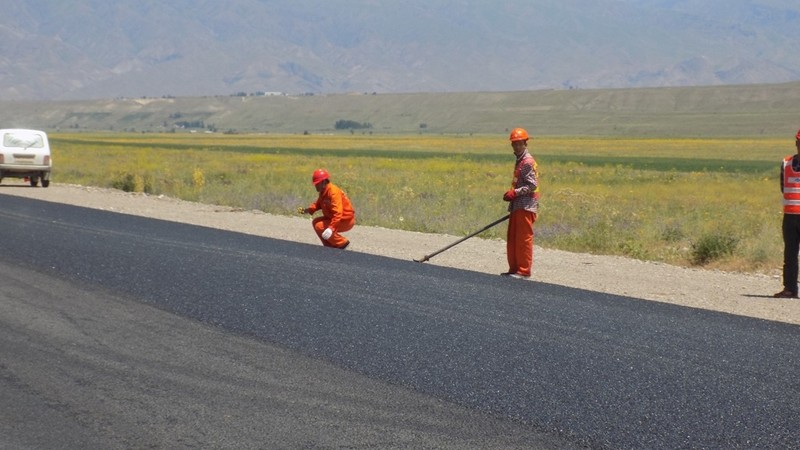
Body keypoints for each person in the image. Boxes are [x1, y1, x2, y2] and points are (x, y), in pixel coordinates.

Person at [501, 127, 540, 279]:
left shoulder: (527, 162)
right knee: (513, 238)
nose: (517, 146)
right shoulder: (520, 160)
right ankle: (514, 269)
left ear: (525, 143)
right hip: (518, 205)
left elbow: (532, 185)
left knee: (523, 239)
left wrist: (515, 193)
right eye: (514, 144)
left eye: (520, 143)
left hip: (526, 205)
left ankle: (523, 271)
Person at [299, 169, 355, 249]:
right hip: (334, 218)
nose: (315, 186)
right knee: (315, 222)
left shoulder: (333, 192)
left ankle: (342, 243)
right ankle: (329, 246)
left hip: (345, 220)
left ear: (324, 182)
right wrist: (307, 210)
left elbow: (338, 213)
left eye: (317, 184)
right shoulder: (323, 191)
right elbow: (318, 204)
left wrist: (331, 228)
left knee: (319, 226)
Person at [774, 129, 800, 298]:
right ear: (796, 143)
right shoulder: (786, 163)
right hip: (790, 216)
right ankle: (790, 288)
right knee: (790, 254)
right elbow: (784, 188)